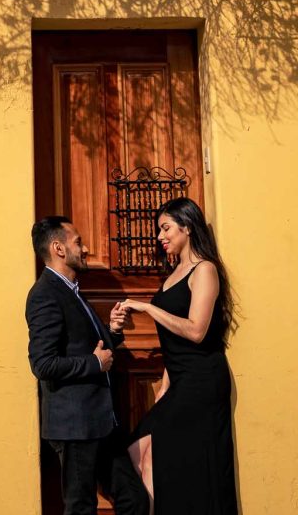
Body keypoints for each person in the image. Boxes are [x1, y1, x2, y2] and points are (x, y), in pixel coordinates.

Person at [119, 198, 238, 514]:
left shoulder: (205, 270)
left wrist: (148, 308)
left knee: (165, 462)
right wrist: (163, 388)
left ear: (187, 226)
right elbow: (172, 342)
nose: (160, 236)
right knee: (137, 453)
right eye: (160, 229)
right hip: (179, 382)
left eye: (166, 227)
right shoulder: (173, 274)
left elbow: (196, 331)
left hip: (202, 381)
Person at [26, 216, 149, 515]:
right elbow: (43, 363)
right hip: (74, 425)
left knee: (134, 500)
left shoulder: (71, 290)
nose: (86, 248)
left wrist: (114, 331)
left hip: (99, 422)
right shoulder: (45, 294)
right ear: (58, 248)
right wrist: (94, 364)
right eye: (78, 242)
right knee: (81, 508)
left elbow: (83, 345)